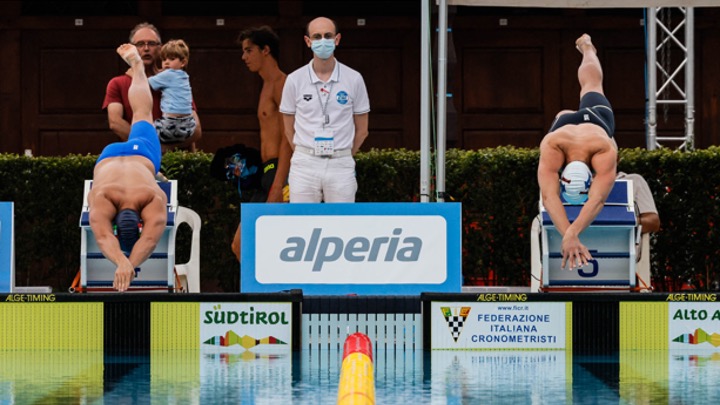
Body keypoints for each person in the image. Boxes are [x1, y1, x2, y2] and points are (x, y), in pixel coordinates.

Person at [90, 44, 169, 292]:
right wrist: (126, 263)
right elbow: (104, 236)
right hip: (108, 156)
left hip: (141, 157)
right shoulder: (102, 197)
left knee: (142, 114)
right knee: (142, 114)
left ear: (139, 221)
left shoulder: (153, 196)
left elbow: (149, 239)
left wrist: (126, 264)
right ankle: (137, 66)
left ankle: (137, 67)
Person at [537, 33, 617, 271]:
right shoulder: (602, 149)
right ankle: (587, 48)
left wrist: (570, 234)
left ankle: (588, 48)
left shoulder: (555, 145)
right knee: (591, 86)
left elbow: (555, 198)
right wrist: (570, 234)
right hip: (574, 125)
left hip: (591, 123)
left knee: (592, 85)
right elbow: (595, 199)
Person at [280, 16, 370, 202]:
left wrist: (342, 155)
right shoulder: (294, 80)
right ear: (308, 41)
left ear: (337, 39)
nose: (323, 41)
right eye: (317, 36)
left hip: (341, 162)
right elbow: (288, 129)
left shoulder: (354, 78)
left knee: (342, 225)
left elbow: (362, 131)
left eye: (328, 36)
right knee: (302, 223)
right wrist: (306, 153)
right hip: (304, 163)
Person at [230, 26, 291, 261]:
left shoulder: (282, 84)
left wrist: (278, 185)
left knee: (277, 245)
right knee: (240, 246)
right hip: (267, 173)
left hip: (281, 175)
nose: (244, 57)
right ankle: (265, 295)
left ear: (266, 50)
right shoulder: (265, 86)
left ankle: (284, 296)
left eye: (249, 50)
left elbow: (288, 137)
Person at [102, 22, 202, 151]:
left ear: (160, 48)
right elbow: (115, 123)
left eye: (152, 43)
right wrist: (150, 147)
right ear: (131, 48)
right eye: (140, 44)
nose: (146, 48)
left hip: (175, 160)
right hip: (139, 156)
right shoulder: (118, 83)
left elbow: (196, 129)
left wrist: (163, 149)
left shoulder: (176, 79)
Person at [148, 39, 197, 145]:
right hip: (189, 125)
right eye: (164, 59)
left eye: (171, 59)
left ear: (183, 62)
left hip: (170, 123)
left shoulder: (169, 74)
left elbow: (148, 83)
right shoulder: (184, 76)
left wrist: (135, 74)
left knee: (147, 130)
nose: (166, 62)